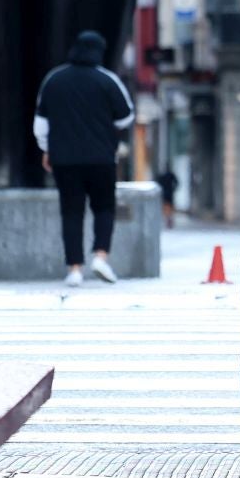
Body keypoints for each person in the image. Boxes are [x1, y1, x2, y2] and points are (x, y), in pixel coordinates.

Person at [35, 30, 136, 286]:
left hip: (64, 160)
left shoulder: (54, 80)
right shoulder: (107, 80)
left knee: (71, 211)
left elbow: (40, 124)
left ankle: (74, 270)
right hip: (101, 158)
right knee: (104, 207)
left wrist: (47, 149)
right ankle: (100, 257)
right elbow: (126, 117)